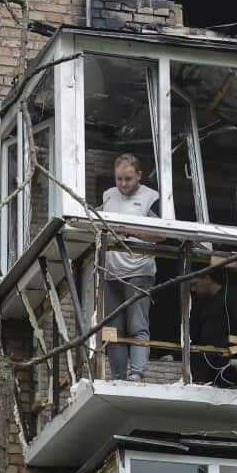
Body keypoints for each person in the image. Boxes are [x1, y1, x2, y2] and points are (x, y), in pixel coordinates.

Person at [101, 154, 159, 382]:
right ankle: (117, 376)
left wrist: (130, 231)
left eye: (128, 179)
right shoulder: (108, 196)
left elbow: (162, 234)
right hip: (111, 272)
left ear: (139, 176)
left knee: (137, 325)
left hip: (139, 271)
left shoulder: (150, 198)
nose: (123, 184)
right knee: (114, 329)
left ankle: (137, 373)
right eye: (119, 179)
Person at [188, 272, 237, 387]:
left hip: (226, 356)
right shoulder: (204, 302)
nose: (193, 290)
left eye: (195, 284)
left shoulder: (230, 295)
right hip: (207, 357)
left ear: (207, 278)